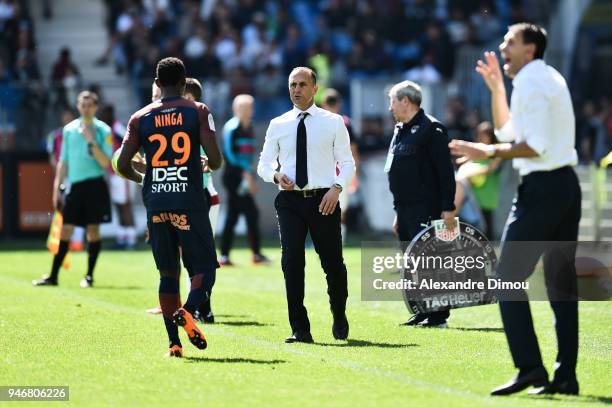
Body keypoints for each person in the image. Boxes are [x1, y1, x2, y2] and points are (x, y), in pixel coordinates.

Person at [450, 23, 581, 396]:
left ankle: (530, 369)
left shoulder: (533, 82)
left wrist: (487, 152)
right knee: (560, 284)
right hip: (562, 186)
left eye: (510, 42)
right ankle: (565, 377)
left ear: (530, 49)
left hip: (542, 188)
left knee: (506, 279)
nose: (503, 47)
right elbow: (509, 131)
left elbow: (532, 146)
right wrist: (496, 90)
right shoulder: (541, 77)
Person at [116, 57, 223, 358]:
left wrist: (145, 177)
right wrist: (202, 162)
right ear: (182, 80)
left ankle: (174, 344)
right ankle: (188, 311)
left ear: (157, 81)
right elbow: (215, 161)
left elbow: (123, 164)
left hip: (157, 201)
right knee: (204, 269)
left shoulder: (140, 117)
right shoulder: (197, 111)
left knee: (167, 273)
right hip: (189, 200)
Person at [257, 67, 355, 343]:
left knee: (333, 264)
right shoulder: (278, 124)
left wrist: (336, 189)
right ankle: (300, 329)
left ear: (315, 89)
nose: (296, 89)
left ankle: (339, 314)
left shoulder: (334, 122)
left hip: (324, 199)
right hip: (289, 201)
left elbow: (347, 163)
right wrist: (275, 175)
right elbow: (263, 164)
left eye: (302, 84)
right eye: (292, 84)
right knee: (291, 263)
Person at [385, 80, 456, 328]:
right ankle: (421, 310)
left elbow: (445, 172)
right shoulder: (401, 129)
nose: (390, 107)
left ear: (406, 101)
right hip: (405, 209)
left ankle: (438, 316)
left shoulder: (432, 129)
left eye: (392, 101)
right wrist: (398, 211)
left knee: (430, 262)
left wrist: (448, 208)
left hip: (427, 207)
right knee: (411, 262)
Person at [34, 91, 113, 288]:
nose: (86, 108)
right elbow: (63, 161)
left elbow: (106, 163)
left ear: (95, 107)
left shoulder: (104, 131)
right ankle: (53, 276)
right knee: (65, 229)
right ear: (78, 106)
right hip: (75, 187)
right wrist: (56, 188)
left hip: (95, 185)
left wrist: (91, 141)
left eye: (90, 105)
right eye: (83, 105)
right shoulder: (68, 130)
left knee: (93, 231)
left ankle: (89, 276)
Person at [220, 94, 269, 266]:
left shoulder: (250, 127)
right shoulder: (232, 127)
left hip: (245, 174)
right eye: (243, 107)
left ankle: (227, 256)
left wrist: (250, 175)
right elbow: (229, 155)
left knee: (238, 215)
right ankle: (251, 255)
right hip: (234, 176)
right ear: (236, 109)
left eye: (250, 107)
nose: (248, 111)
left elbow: (248, 154)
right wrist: (247, 175)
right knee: (246, 214)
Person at [321, 88, 359, 243]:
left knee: (325, 208)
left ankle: (330, 241)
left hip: (324, 173)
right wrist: (355, 175)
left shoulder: (319, 122)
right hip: (341, 173)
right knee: (339, 209)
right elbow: (353, 151)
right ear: (339, 104)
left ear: (323, 104)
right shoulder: (346, 123)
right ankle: (337, 240)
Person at [46, 107, 86, 252]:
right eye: (65, 116)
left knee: (79, 208)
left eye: (69, 116)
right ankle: (61, 241)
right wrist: (60, 174)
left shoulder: (80, 133)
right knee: (63, 208)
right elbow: (52, 157)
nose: (67, 119)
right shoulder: (55, 135)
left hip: (78, 175)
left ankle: (77, 242)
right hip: (64, 176)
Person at [99, 104, 137, 250]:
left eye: (103, 114)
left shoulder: (117, 128)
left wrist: (128, 164)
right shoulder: (106, 131)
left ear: (110, 114)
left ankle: (131, 239)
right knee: (119, 206)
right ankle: (122, 238)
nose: (101, 117)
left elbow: (131, 144)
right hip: (113, 173)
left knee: (126, 205)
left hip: (123, 174)